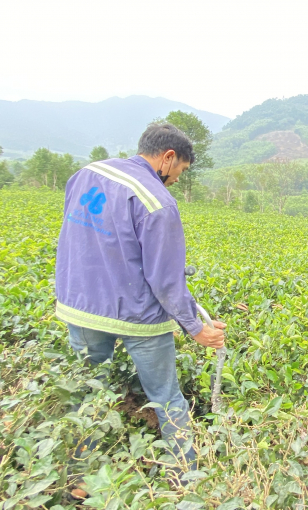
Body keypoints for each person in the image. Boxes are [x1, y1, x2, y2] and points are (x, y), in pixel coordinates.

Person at [55, 123, 225, 468]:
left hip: (80, 306)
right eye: (181, 170)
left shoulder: (85, 174)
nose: (178, 179)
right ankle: (184, 478)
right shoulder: (157, 202)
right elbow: (165, 280)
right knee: (165, 396)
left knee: (86, 391)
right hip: (138, 316)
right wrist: (195, 327)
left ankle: (78, 475)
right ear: (168, 158)